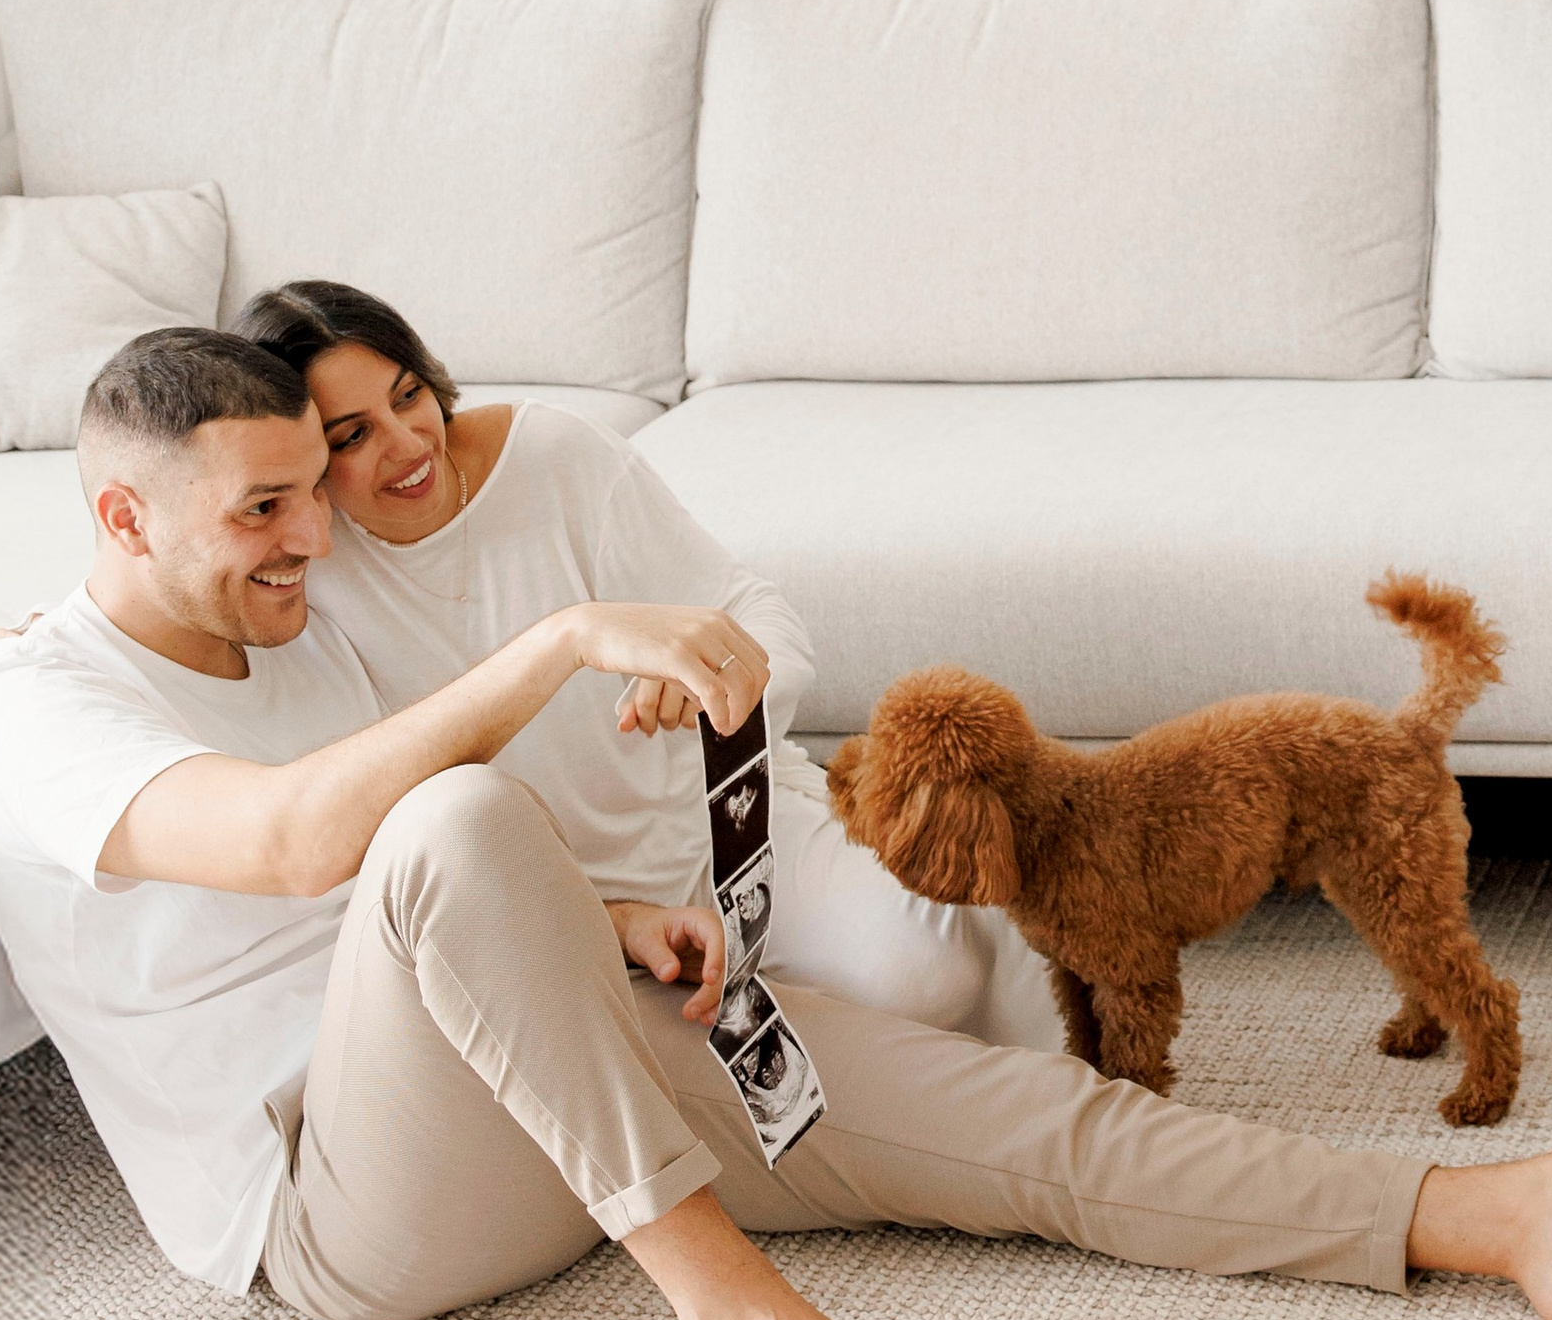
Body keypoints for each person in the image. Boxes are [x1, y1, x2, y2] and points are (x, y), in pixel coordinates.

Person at [0, 327, 1552, 1320]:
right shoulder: (37, 705)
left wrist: (599, 928)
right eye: (262, 509)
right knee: (449, 817)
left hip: (543, 1091)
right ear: (119, 514)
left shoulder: (301, 622)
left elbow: (456, 893)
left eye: (310, 496)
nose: (310, 538)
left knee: (1014, 1116)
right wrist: (569, 637)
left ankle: (1502, 1220)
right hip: (344, 1211)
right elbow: (293, 850)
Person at [233, 276, 1061, 1052]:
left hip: (732, 832)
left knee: (933, 971)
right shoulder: (308, 576)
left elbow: (760, 615)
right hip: (572, 924)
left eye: (409, 394)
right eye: (354, 435)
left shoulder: (550, 457)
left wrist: (712, 663)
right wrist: (615, 918)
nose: (408, 441)